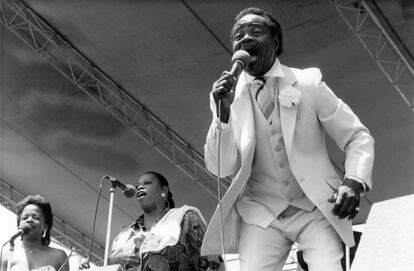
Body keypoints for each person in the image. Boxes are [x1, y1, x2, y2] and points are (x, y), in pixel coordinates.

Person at [201, 7, 374, 271]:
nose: (245, 38)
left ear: (276, 41)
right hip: (260, 213)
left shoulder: (307, 83)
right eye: (238, 35)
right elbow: (221, 168)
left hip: (313, 207)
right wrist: (221, 118)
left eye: (255, 32)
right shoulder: (227, 99)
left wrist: (353, 182)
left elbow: (357, 136)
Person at [108, 171, 221, 271]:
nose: (139, 187)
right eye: (137, 186)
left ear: (164, 190)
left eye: (147, 183)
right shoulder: (124, 235)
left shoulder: (185, 218)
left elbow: (212, 263)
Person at [1, 195, 69, 271]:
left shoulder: (58, 256)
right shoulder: (7, 255)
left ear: (45, 226)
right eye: (25, 218)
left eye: (36, 217)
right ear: (19, 225)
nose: (29, 220)